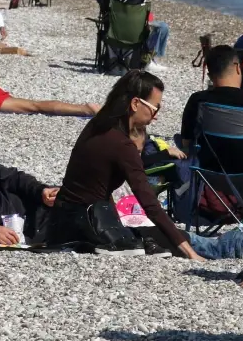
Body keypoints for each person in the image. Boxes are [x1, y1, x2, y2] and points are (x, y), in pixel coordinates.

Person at [47, 70, 205, 259]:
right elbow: (149, 201)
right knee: (188, 239)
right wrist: (189, 252)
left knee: (152, 235)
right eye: (155, 108)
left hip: (64, 220)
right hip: (89, 224)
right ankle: (234, 246)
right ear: (135, 103)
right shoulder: (121, 143)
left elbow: (120, 172)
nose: (156, 116)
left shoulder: (98, 126)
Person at [180, 45, 243, 173]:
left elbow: (187, 144)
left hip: (208, 177)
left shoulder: (198, 101)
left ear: (210, 76)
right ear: (238, 68)